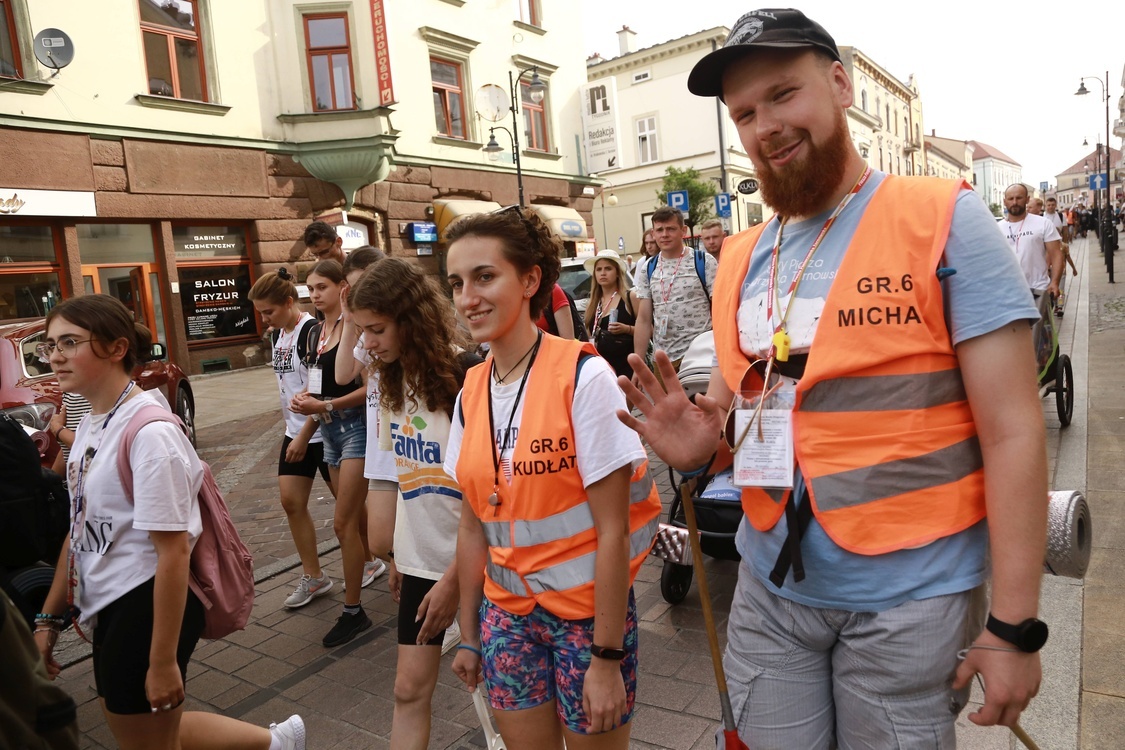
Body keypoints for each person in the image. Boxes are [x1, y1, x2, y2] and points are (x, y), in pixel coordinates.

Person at [618, 9, 1049, 747]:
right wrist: (701, 446)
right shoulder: (740, 256)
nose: (765, 127)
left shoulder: (943, 217)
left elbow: (1013, 430)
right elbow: (735, 415)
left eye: (784, 94)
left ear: (841, 86)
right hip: (769, 585)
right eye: (744, 113)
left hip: (910, 601)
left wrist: (1014, 626)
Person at [34, 294, 305, 750]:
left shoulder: (151, 434)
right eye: (50, 345)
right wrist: (48, 619)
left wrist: (162, 662)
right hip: (108, 602)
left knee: (147, 740)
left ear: (117, 348)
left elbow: (174, 552)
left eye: (69, 342)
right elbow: (78, 529)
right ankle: (276, 743)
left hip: (145, 602)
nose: (55, 356)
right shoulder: (92, 424)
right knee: (145, 733)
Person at [444, 208, 662, 749]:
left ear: (530, 280)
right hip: (507, 618)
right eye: (457, 283)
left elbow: (613, 529)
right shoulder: (471, 390)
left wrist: (606, 658)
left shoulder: (584, 377)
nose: (468, 298)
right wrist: (469, 635)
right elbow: (472, 526)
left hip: (587, 623)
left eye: (484, 277)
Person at [347, 257, 480, 750]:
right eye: (361, 331)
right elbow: (403, 478)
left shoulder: (467, 376)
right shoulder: (389, 381)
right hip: (423, 563)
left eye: (377, 329)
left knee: (500, 696)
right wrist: (400, 556)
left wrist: (455, 581)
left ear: (411, 319)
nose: (367, 343)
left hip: (481, 565)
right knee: (408, 689)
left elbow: (491, 495)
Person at [288, 260, 373, 647]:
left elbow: (367, 388)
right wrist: (308, 407)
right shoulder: (316, 331)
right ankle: (379, 579)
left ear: (343, 287)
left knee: (343, 524)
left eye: (321, 286)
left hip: (355, 428)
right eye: (310, 288)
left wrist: (324, 405)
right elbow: (321, 384)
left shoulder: (356, 326)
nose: (314, 294)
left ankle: (353, 610)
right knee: (353, 523)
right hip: (329, 431)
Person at [248, 268, 338, 610]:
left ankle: (373, 559)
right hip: (294, 432)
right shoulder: (277, 336)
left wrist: (303, 436)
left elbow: (319, 389)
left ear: (288, 302)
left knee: (348, 510)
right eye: (260, 313)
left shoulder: (312, 332)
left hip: (321, 431)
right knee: (291, 502)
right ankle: (314, 576)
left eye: (268, 311)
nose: (265, 319)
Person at [632, 206, 717, 376]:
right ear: (653, 233)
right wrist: (639, 365)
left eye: (671, 229)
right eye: (659, 230)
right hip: (662, 358)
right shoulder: (648, 267)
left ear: (683, 231)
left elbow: (719, 310)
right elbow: (643, 319)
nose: (664, 234)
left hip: (700, 354)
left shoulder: (704, 261)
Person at [1001, 184, 1063, 302]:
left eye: (1019, 198)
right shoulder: (997, 228)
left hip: (1038, 290)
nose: (1015, 202)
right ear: (1005, 201)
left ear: (1027, 199)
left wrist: (1055, 282)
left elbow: (1056, 255)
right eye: (1010, 198)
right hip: (1007, 293)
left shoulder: (1043, 224)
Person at [583, 250, 638, 380]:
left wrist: (627, 329)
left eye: (608, 268)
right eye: (599, 269)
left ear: (617, 273)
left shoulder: (630, 298)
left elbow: (649, 330)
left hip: (626, 368)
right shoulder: (593, 302)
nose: (603, 273)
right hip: (601, 371)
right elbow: (588, 334)